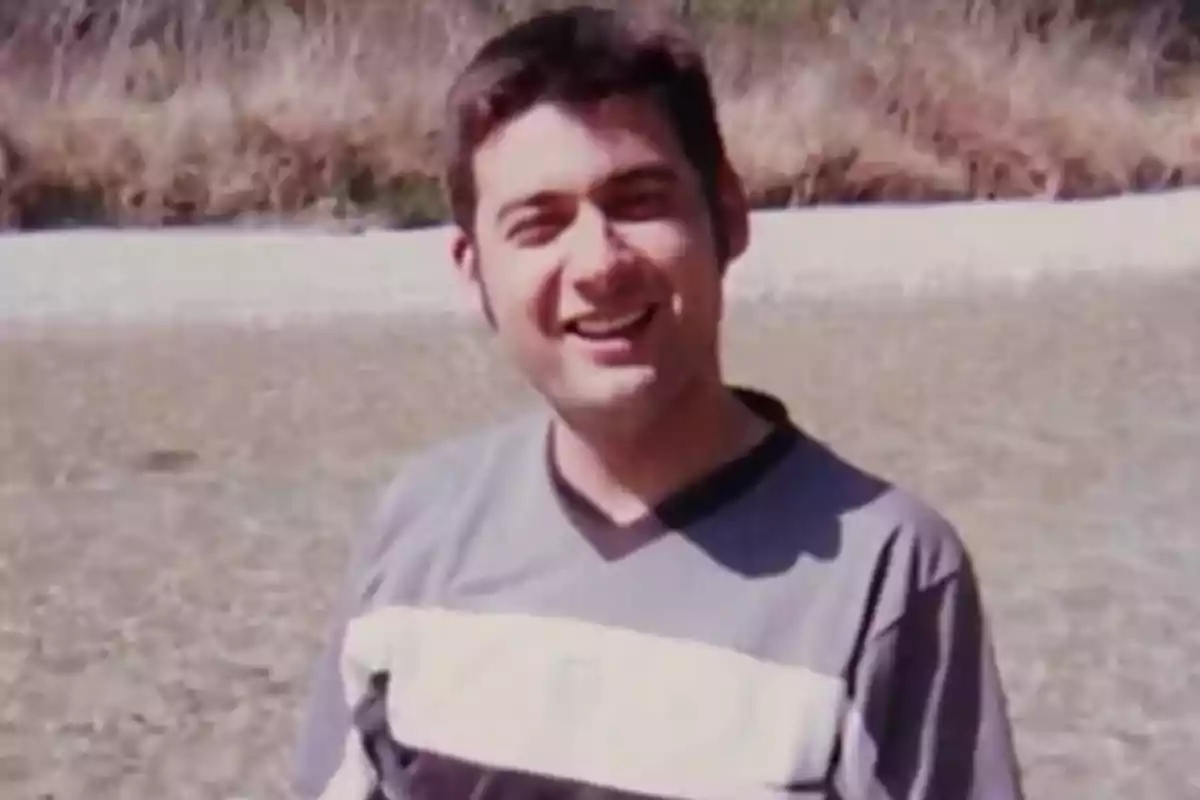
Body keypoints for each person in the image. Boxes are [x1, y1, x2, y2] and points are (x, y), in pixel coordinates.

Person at [291, 5, 1025, 799]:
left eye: (638, 201)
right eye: (538, 224)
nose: (598, 264)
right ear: (473, 270)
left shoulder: (888, 575)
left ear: (729, 219)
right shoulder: (416, 532)